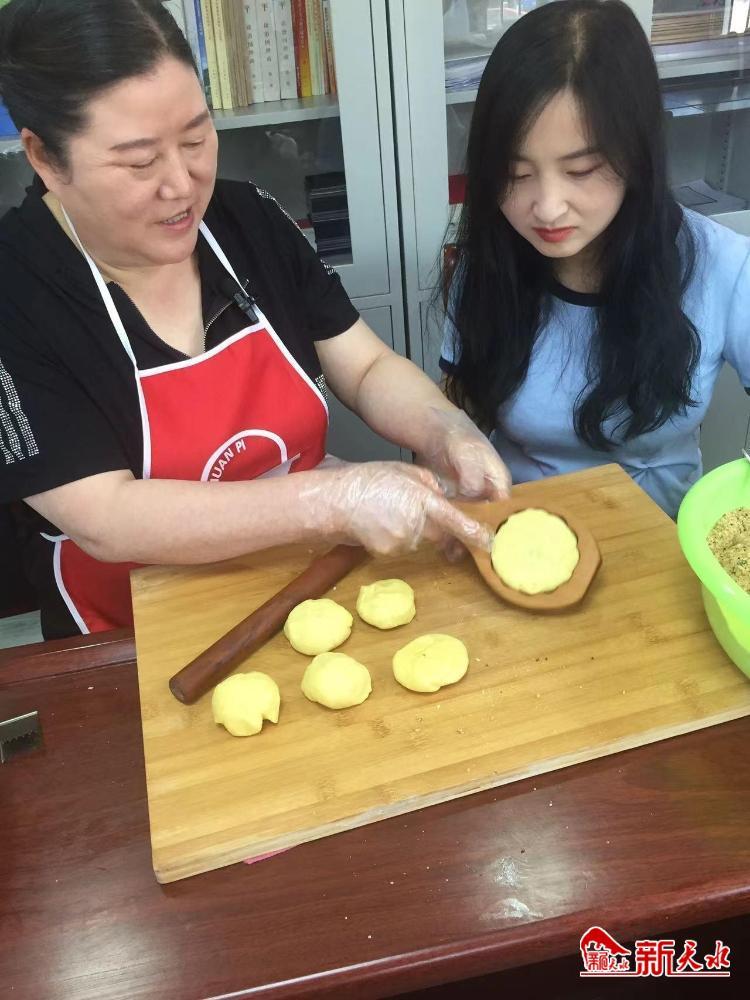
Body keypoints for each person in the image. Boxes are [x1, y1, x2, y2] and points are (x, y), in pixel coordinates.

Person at [0, 0, 510, 640]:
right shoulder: (17, 292)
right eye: (139, 162)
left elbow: (366, 366)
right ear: (45, 158)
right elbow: (106, 517)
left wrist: (446, 428)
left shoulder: (249, 221)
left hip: (310, 589)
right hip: (132, 637)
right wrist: (333, 500)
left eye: (195, 139)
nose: (182, 186)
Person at [440, 0, 749, 520]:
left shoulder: (725, 266)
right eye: (515, 174)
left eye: (581, 170)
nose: (547, 207)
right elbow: (453, 421)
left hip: (660, 539)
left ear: (636, 154)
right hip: (524, 534)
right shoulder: (486, 266)